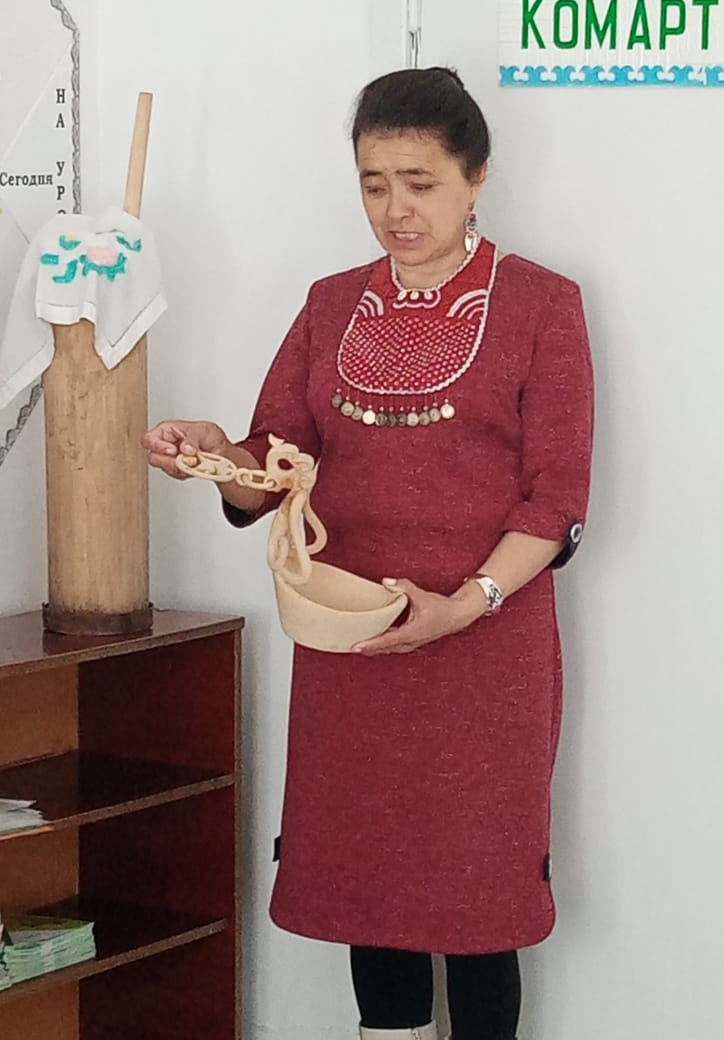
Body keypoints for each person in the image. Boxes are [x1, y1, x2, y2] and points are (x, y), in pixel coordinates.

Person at [144, 67, 593, 1040]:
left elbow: (556, 500)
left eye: (420, 183)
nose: (396, 209)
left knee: (478, 903)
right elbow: (273, 463)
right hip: (350, 638)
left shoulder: (542, 305)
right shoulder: (331, 303)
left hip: (483, 653)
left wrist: (463, 603)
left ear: (476, 176)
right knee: (374, 891)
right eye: (374, 183)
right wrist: (214, 456)